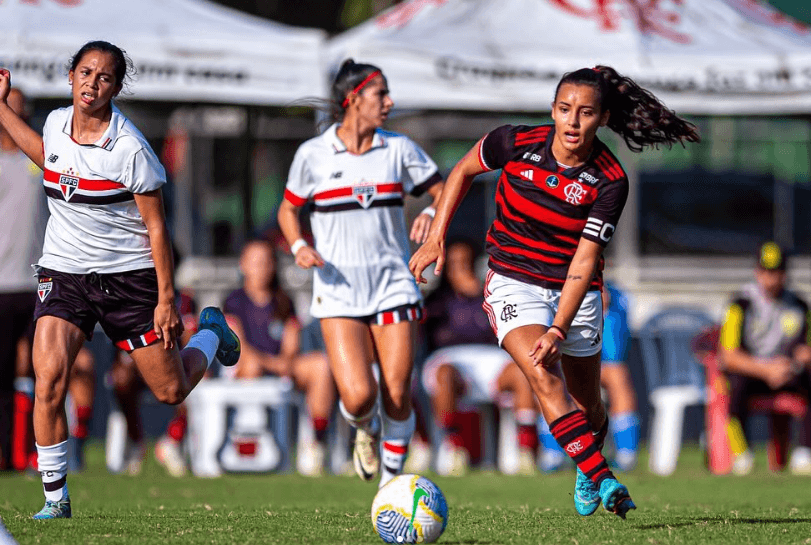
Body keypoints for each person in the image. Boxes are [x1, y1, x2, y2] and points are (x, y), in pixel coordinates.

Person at [410, 65, 699, 518]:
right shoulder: (514, 142)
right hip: (513, 280)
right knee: (542, 374)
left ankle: (586, 464)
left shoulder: (610, 179)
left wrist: (559, 328)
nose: (573, 121)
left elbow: (584, 262)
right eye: (565, 109)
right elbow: (463, 170)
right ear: (552, 110)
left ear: (603, 118)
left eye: (586, 113)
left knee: (589, 406)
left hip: (574, 291)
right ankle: (604, 477)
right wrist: (436, 237)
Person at [0, 40, 241, 519]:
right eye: (85, 73)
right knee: (48, 380)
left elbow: (157, 228)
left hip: (128, 281)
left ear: (115, 87)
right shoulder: (54, 123)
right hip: (65, 274)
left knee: (170, 391)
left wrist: (167, 301)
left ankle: (212, 332)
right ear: (71, 76)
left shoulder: (131, 149)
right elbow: (46, 157)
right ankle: (55, 498)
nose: (92, 83)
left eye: (104, 77)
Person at [278, 59, 444, 488]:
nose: (389, 102)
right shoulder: (313, 154)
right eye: (380, 93)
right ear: (353, 99)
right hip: (338, 289)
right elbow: (288, 210)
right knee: (358, 396)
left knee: (397, 390)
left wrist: (430, 212)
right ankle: (364, 429)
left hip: (394, 284)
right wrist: (298, 247)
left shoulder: (399, 148)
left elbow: (443, 190)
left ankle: (390, 485)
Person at [420, 239, 539, 476]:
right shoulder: (437, 299)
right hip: (450, 358)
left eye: (465, 262)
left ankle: (526, 450)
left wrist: (478, 293)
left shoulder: (490, 295)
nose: (460, 268)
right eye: (454, 263)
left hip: (490, 358)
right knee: (444, 374)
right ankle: (454, 447)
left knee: (522, 372)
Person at [224, 238, 336, 476]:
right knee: (252, 366)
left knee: (321, 365)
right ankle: (251, 444)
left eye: (266, 262)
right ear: (243, 265)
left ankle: (316, 442)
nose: (261, 268)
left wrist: (281, 364)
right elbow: (238, 346)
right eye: (255, 262)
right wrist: (272, 364)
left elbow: (291, 347)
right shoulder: (233, 301)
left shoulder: (284, 301)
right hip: (247, 367)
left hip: (281, 367)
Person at [718, 241, 811, 475]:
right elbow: (728, 356)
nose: (771, 278)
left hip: (788, 373)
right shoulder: (740, 304)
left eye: (777, 272)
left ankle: (804, 452)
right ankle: (742, 455)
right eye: (766, 271)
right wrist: (766, 370)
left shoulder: (799, 306)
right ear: (757, 272)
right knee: (735, 384)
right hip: (753, 374)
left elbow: (806, 349)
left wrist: (795, 363)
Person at [0, 88, 44, 472]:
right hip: (1, 284)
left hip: (38, 283)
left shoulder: (41, 158)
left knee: (40, 368)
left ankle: (34, 452)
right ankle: (6, 453)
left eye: (17, 105)